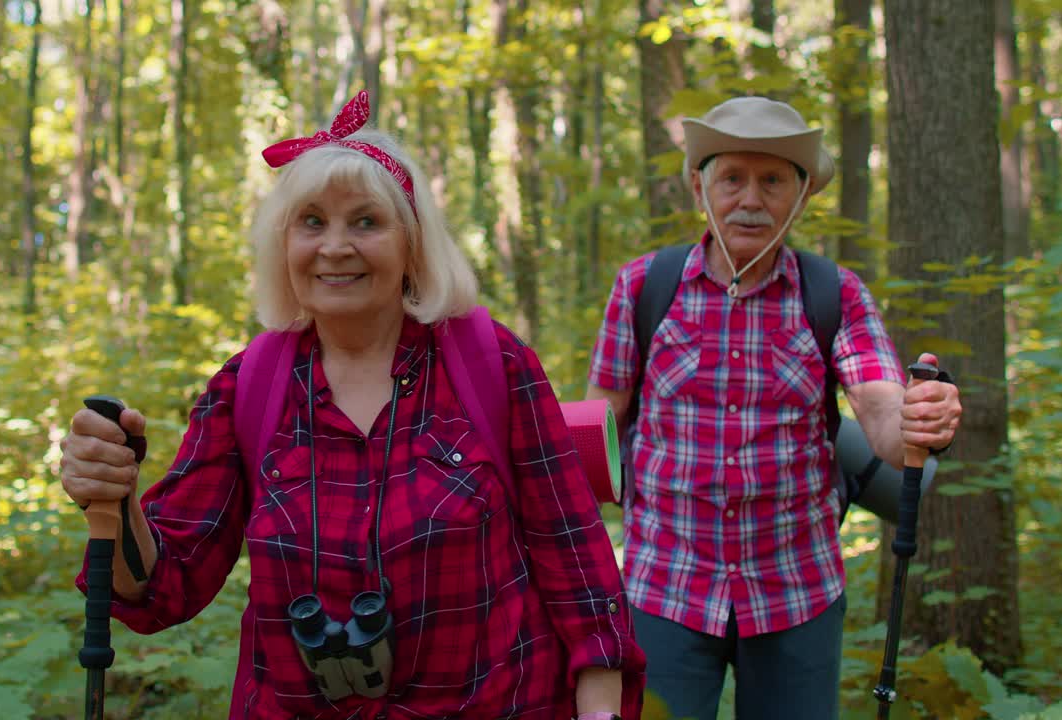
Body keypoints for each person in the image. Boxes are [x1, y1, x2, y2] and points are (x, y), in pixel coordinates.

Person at [60, 91, 644, 720]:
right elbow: (163, 587)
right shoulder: (248, 387)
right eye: (312, 222)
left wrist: (601, 707)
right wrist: (114, 500)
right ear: (284, 245)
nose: (335, 246)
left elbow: (574, 554)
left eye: (365, 221)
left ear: (412, 244)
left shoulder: (490, 363)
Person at [584, 96, 962, 719]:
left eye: (772, 180)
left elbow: (884, 416)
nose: (751, 199)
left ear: (802, 193)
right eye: (732, 178)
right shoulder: (642, 287)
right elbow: (597, 432)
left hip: (797, 590)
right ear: (700, 187)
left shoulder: (835, 294)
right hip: (664, 586)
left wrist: (923, 418)